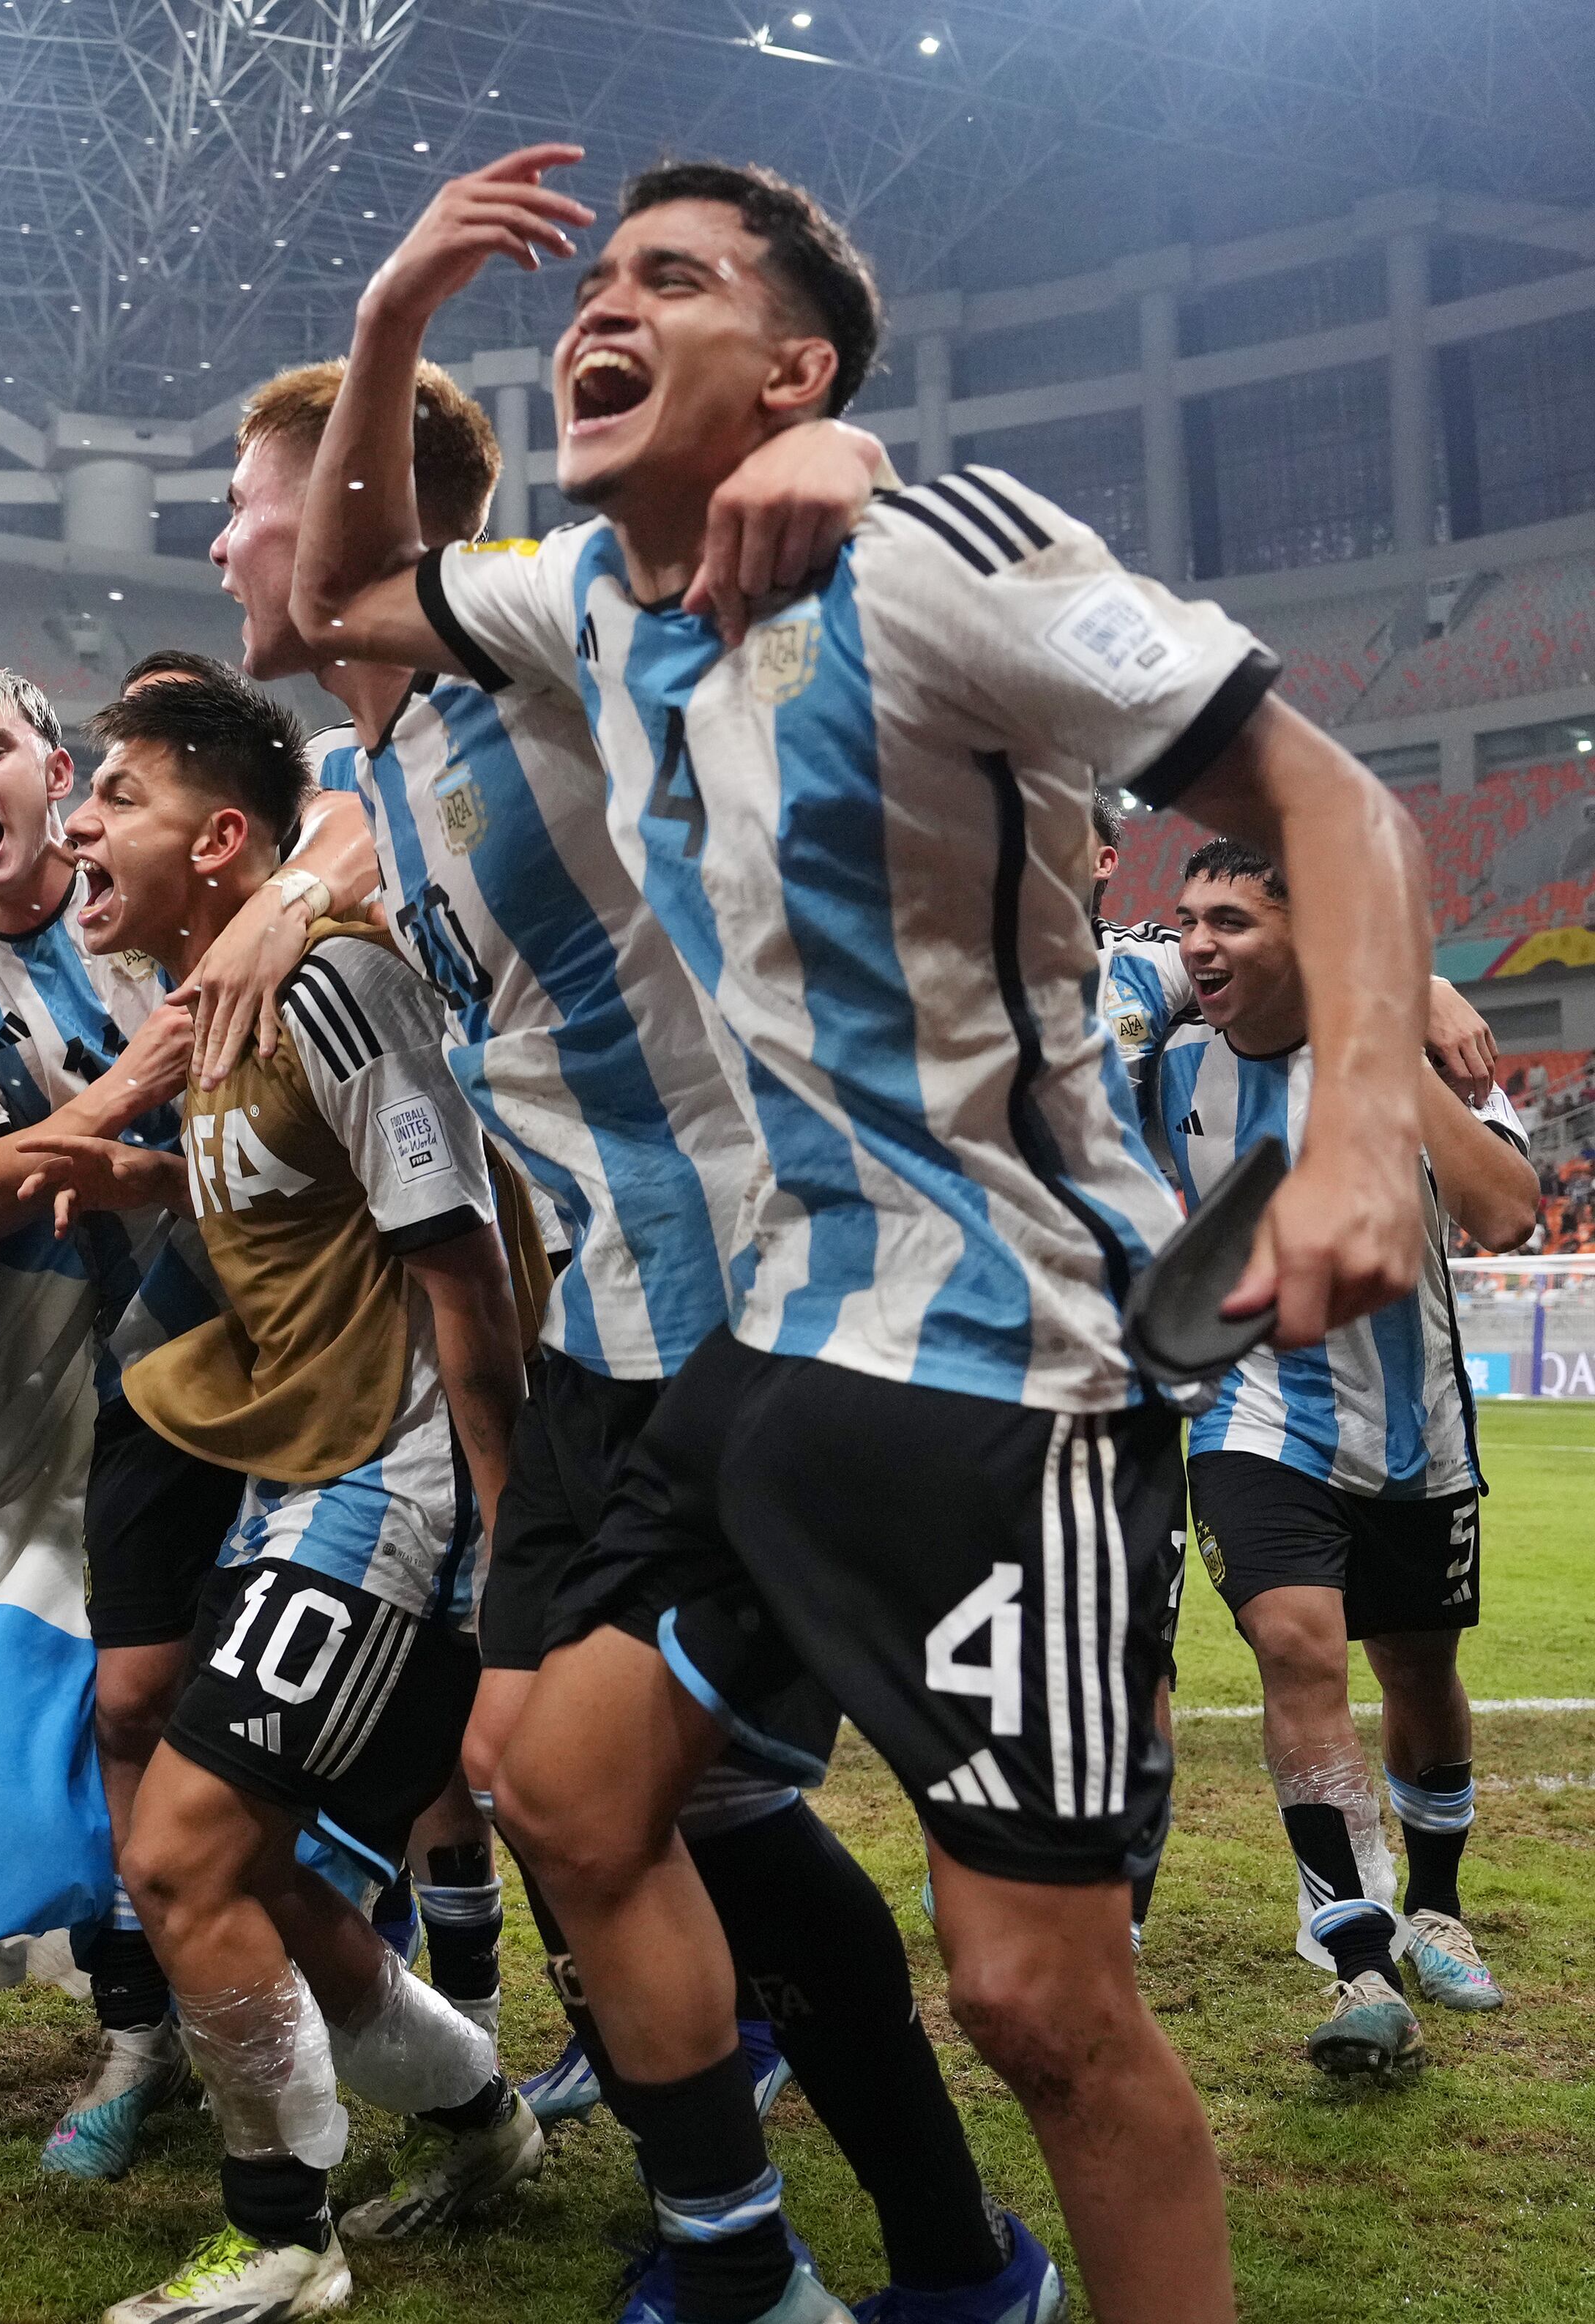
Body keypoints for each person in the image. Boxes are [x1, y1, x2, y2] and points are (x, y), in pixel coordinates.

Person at [295, 149, 1438, 2324]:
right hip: (766, 1355)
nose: (596, 309)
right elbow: (340, 601)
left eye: (673, 282)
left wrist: (1361, 1120)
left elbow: (1331, 799)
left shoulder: (934, 556)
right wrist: (385, 324)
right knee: (550, 1778)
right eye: (591, 283)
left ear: (798, 364)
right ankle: (758, 2257)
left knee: (1036, 2000)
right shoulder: (584, 602)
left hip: (1007, 1371)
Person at [239, 350, 1066, 2319]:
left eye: (254, 496)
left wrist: (818, 445)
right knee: (553, 1784)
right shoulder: (377, 780)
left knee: (670, 1806)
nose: (221, 536)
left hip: (764, 1307)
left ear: (375, 524)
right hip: (598, 1337)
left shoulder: (538, 661)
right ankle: (793, 2244)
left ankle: (885, 2256)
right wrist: (307, 867)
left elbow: (731, 581)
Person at [48, 672, 534, 2323]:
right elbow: (279, 1205)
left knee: (182, 1857)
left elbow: (461, 1258)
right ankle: (479, 2118)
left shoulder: (327, 983)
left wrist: (503, 1542)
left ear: (227, 839)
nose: (78, 823)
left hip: (388, 1497)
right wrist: (98, 1155)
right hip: (293, 1488)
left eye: (115, 795)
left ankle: (280, 2233)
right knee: (248, 1871)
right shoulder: (210, 1014)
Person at [0, 663, 215, 2175]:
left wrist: (61, 1138)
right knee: (125, 1708)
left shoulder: (159, 887)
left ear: (52, 767)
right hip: (119, 1380)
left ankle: (428, 1999)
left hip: (310, 1342)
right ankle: (144, 2034)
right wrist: (135, 1085)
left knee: (367, 1721)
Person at [1138, 836, 1536, 2074]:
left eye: (1238, 922)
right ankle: (1360, 1953)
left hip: (1415, 1429)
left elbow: (1510, 1211)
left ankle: (1437, 1904)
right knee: (1296, 1642)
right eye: (1190, 918)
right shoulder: (1165, 1059)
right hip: (1256, 1414)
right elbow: (1089, 951)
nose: (1203, 941)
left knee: (1420, 1672)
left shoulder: (1409, 1053)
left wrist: (1389, 1016)